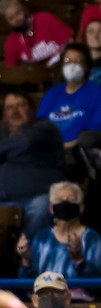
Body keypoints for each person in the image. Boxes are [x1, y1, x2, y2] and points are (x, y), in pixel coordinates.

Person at [0, 92, 66, 239]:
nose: (15, 111)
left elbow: (26, 143)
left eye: (21, 105)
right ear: (4, 113)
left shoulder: (44, 128)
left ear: (31, 109)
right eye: (10, 107)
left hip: (35, 198)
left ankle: (30, 259)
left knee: (40, 210)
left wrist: (4, 151)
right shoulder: (3, 134)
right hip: (4, 199)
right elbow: (20, 146)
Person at [17, 181, 101, 281]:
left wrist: (78, 259)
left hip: (78, 296)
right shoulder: (41, 238)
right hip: (44, 296)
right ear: (51, 208)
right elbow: (28, 283)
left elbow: (97, 286)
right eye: (59, 200)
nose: (65, 204)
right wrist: (26, 259)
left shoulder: (91, 238)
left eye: (71, 200)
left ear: (81, 207)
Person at [36, 44, 101, 150]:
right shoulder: (52, 93)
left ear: (86, 66)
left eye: (77, 61)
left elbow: (95, 130)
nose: (72, 65)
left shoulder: (96, 93)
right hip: (49, 151)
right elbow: (40, 125)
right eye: (68, 61)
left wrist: (68, 146)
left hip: (80, 152)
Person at [0, 0, 73, 67]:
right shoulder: (11, 42)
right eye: (11, 18)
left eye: (18, 13)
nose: (17, 19)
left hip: (60, 66)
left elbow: (70, 42)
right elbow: (11, 71)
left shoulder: (46, 19)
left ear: (25, 10)